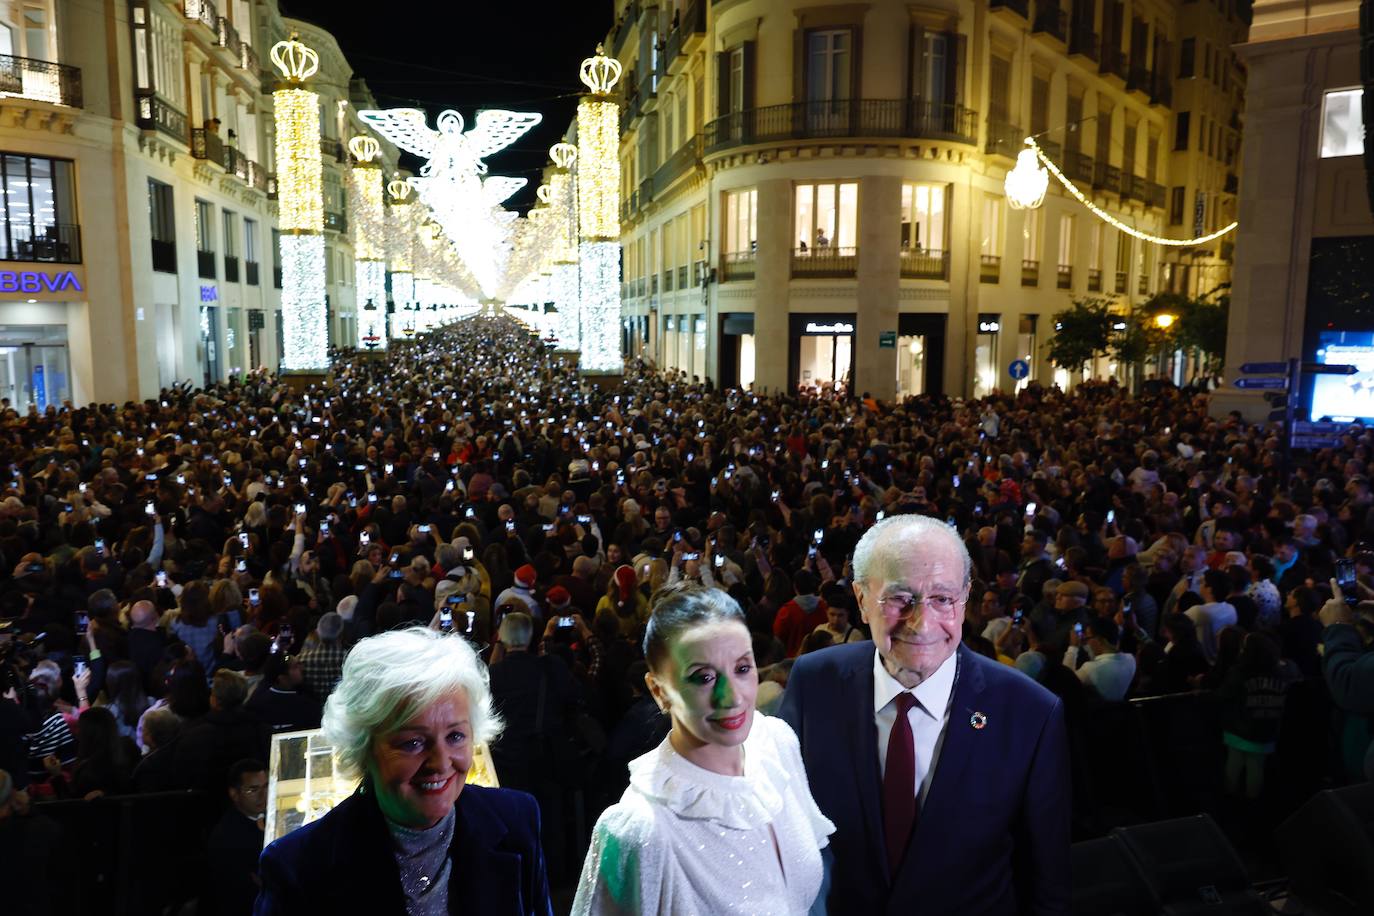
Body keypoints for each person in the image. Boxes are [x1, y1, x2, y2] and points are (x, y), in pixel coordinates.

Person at [778, 515, 1070, 914]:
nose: (921, 622)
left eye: (942, 599)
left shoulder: (1030, 712)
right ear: (861, 600)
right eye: (900, 598)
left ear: (964, 599)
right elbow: (785, 826)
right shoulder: (814, 682)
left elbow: (1047, 883)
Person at [574, 584, 835, 914]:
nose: (733, 696)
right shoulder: (642, 831)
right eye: (704, 677)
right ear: (659, 691)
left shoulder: (777, 744)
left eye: (742, 668)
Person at [254, 626, 553, 914]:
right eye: (413, 743)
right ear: (364, 748)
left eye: (455, 736)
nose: (440, 762)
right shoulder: (298, 867)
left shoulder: (517, 819)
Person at [206, 759, 268, 916]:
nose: (263, 795)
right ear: (234, 794)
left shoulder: (267, 814)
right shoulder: (226, 838)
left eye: (266, 786)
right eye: (253, 790)